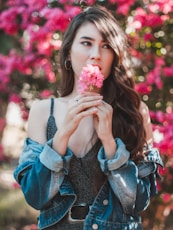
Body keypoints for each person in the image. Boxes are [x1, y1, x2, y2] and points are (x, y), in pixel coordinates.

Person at [14, 6, 163, 230]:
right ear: (68, 53)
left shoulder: (134, 110)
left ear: (114, 57)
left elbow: (138, 202)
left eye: (105, 46)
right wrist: (62, 135)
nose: (95, 54)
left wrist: (109, 143)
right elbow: (35, 197)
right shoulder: (44, 111)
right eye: (86, 43)